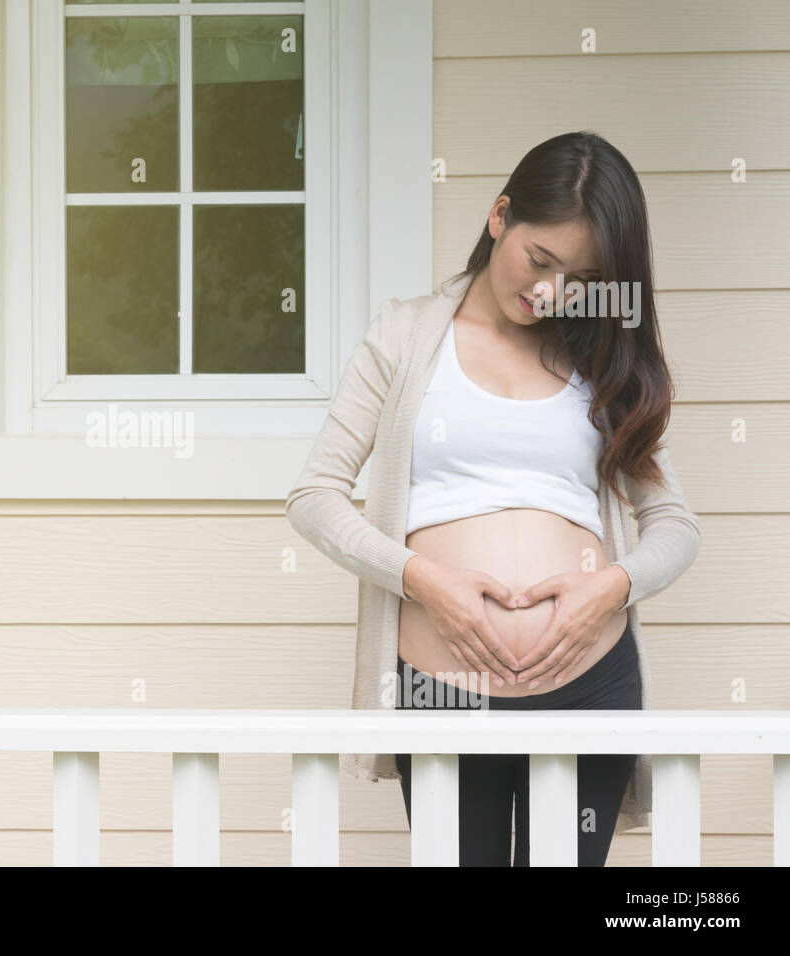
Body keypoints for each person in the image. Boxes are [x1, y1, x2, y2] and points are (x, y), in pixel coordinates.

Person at [285, 130, 702, 865]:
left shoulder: (601, 356)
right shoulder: (405, 336)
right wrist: (426, 583)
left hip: (588, 684)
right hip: (446, 688)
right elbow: (316, 496)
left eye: (580, 278)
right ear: (500, 215)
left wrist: (609, 589)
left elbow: (674, 525)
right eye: (539, 261)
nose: (549, 293)